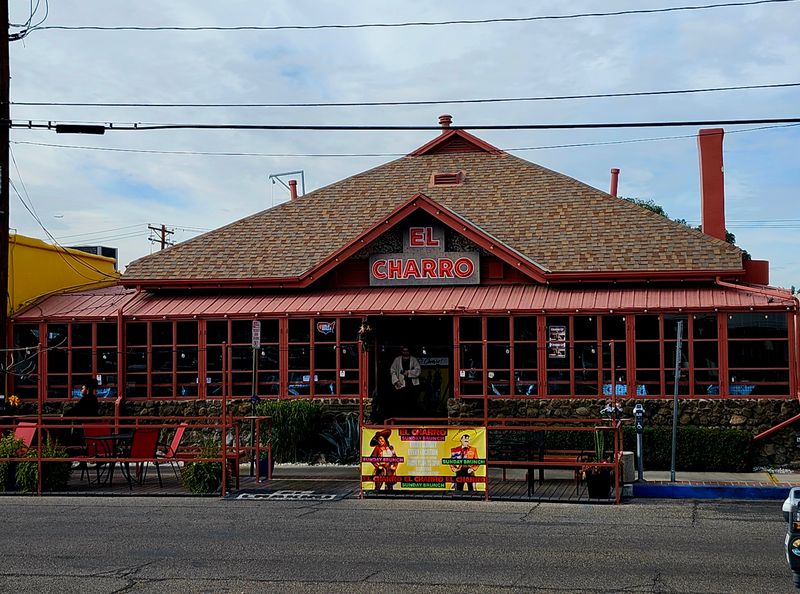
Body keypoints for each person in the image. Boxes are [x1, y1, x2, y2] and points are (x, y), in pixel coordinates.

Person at [389, 346, 421, 419]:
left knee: (412, 403)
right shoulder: (397, 360)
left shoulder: (414, 359)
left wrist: (408, 372)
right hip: (401, 384)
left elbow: (418, 370)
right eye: (404, 351)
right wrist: (396, 381)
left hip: (412, 385)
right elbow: (392, 371)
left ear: (409, 352)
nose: (405, 352)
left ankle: (412, 418)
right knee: (401, 403)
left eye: (407, 351)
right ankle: (402, 418)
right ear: (401, 351)